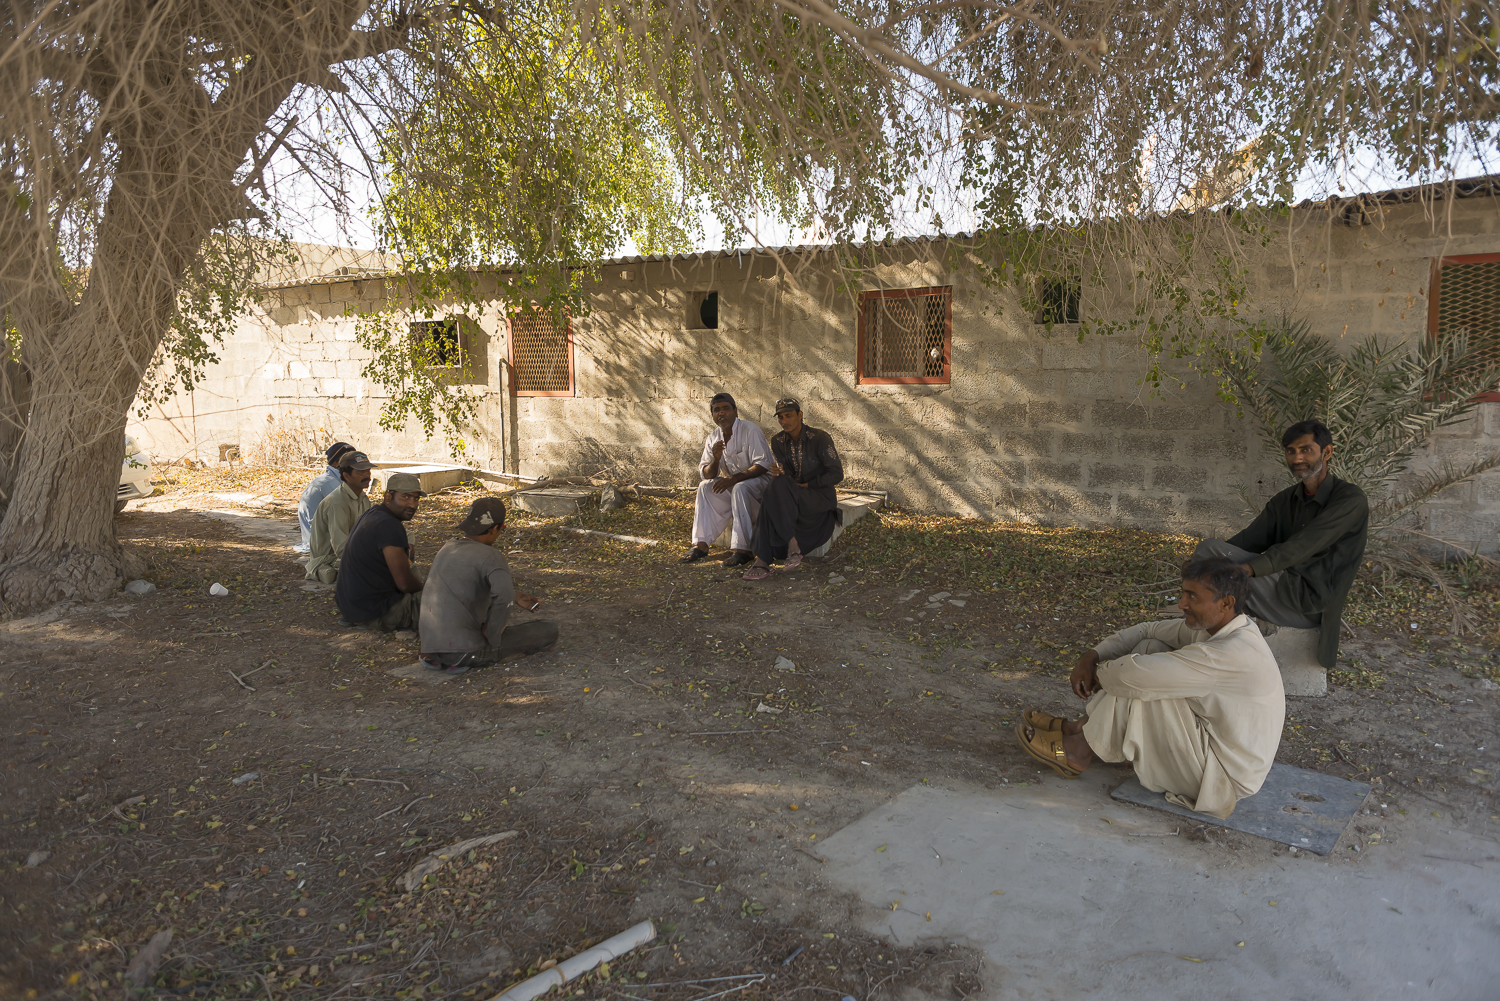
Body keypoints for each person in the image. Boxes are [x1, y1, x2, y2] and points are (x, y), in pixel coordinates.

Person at [1015, 557, 1284, 819]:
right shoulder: (1219, 627)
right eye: (1184, 594)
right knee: (1150, 650)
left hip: (1221, 779)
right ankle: (1081, 730)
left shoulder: (1229, 653)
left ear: (1226, 603)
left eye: (1193, 597)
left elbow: (1135, 676)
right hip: (1212, 746)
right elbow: (1148, 630)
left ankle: (1079, 750)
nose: (1182, 604)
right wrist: (1092, 655)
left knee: (1145, 680)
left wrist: (1101, 672)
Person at [1193, 419, 1368, 670]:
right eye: (1291, 451)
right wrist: (1208, 564)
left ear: (1326, 452)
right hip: (1279, 587)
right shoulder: (1285, 501)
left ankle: (1214, 650)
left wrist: (1247, 570)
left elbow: (1304, 545)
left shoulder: (1350, 500)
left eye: (1306, 449)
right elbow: (1245, 541)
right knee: (1208, 551)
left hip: (1308, 604)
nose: (1297, 458)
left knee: (1213, 565)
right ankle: (1214, 646)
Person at [418, 497, 560, 675]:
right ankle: (469, 655)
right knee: (548, 629)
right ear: (494, 529)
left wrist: (515, 596)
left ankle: (443, 655)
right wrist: (492, 633)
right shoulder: (491, 556)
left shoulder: (447, 548)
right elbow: (503, 598)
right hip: (466, 653)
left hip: (430, 649)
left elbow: (465, 588)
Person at [743, 398, 843, 580]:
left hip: (818, 496)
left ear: (800, 415)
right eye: (780, 418)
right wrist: (780, 471)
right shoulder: (778, 441)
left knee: (771, 493)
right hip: (793, 495)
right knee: (774, 484)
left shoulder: (820, 438)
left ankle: (763, 560)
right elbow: (787, 473)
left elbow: (836, 474)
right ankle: (792, 544)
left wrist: (809, 484)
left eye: (788, 416)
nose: (784, 421)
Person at [679, 392, 772, 567]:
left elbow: (762, 464)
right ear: (712, 414)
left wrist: (733, 479)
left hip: (761, 488)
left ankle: (743, 549)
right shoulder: (713, 437)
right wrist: (715, 459)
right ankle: (701, 544)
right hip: (737, 489)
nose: (721, 413)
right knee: (705, 487)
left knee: (740, 487)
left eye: (726, 409)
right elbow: (707, 474)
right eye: (716, 410)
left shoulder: (750, 430)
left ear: (735, 411)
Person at [335, 471, 425, 631]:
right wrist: (424, 587)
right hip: (376, 613)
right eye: (405, 497)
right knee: (448, 601)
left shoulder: (373, 514)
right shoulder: (389, 526)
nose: (412, 504)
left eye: (416, 498)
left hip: (352, 609)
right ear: (388, 497)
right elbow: (405, 584)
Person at [304, 451, 375, 584]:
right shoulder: (337, 502)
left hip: (353, 551)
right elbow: (341, 548)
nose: (367, 475)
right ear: (346, 476)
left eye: (368, 470)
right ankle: (321, 570)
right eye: (360, 472)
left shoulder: (363, 499)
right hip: (329, 558)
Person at [295, 441, 355, 553]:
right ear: (336, 462)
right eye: (349, 458)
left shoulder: (336, 480)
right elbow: (344, 515)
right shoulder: (328, 483)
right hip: (321, 544)